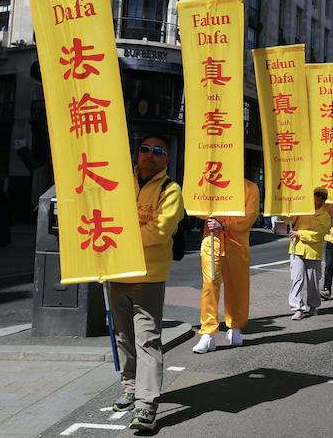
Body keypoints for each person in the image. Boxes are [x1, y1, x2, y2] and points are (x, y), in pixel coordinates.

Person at [110, 136, 184, 432]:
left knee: (148, 340)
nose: (150, 156)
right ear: (136, 154)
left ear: (167, 159)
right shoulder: (116, 181)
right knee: (123, 338)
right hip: (116, 271)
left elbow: (160, 232)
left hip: (149, 276)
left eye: (158, 152)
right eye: (145, 150)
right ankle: (130, 387)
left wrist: (119, 233)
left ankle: (146, 406)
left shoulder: (171, 189)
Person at [192, 179, 260, 354]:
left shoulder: (250, 188)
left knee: (237, 286)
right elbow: (196, 205)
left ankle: (235, 326)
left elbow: (250, 216)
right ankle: (208, 332)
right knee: (209, 284)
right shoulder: (211, 183)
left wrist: (225, 224)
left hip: (237, 244)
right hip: (212, 241)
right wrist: (209, 214)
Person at [286, 187, 332, 320]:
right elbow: (288, 220)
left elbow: (318, 235)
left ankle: (313, 306)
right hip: (297, 249)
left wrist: (300, 233)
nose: (320, 198)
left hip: (313, 253)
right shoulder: (302, 209)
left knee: (313, 282)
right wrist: (285, 210)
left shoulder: (325, 216)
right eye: (317, 195)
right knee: (297, 279)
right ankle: (298, 308)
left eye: (323, 196)